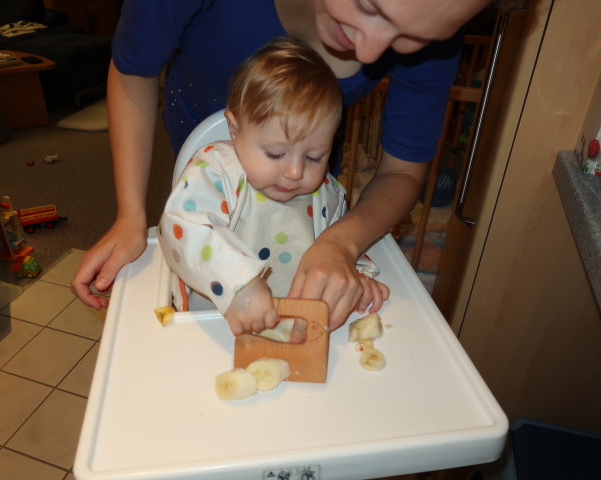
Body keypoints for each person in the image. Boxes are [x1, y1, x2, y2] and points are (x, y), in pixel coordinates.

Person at [72, 0, 491, 330]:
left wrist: (351, 263)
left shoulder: (322, 186)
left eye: (412, 37)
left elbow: (340, 226)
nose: (370, 53)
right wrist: (130, 215)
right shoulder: (215, 172)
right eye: (367, 6)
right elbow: (183, 227)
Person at [157, 37, 388, 340]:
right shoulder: (216, 171)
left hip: (295, 328)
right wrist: (239, 283)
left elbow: (340, 243)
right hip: (213, 326)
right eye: (276, 154)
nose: (295, 172)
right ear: (235, 129)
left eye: (315, 156)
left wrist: (356, 277)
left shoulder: (325, 192)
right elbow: (181, 227)